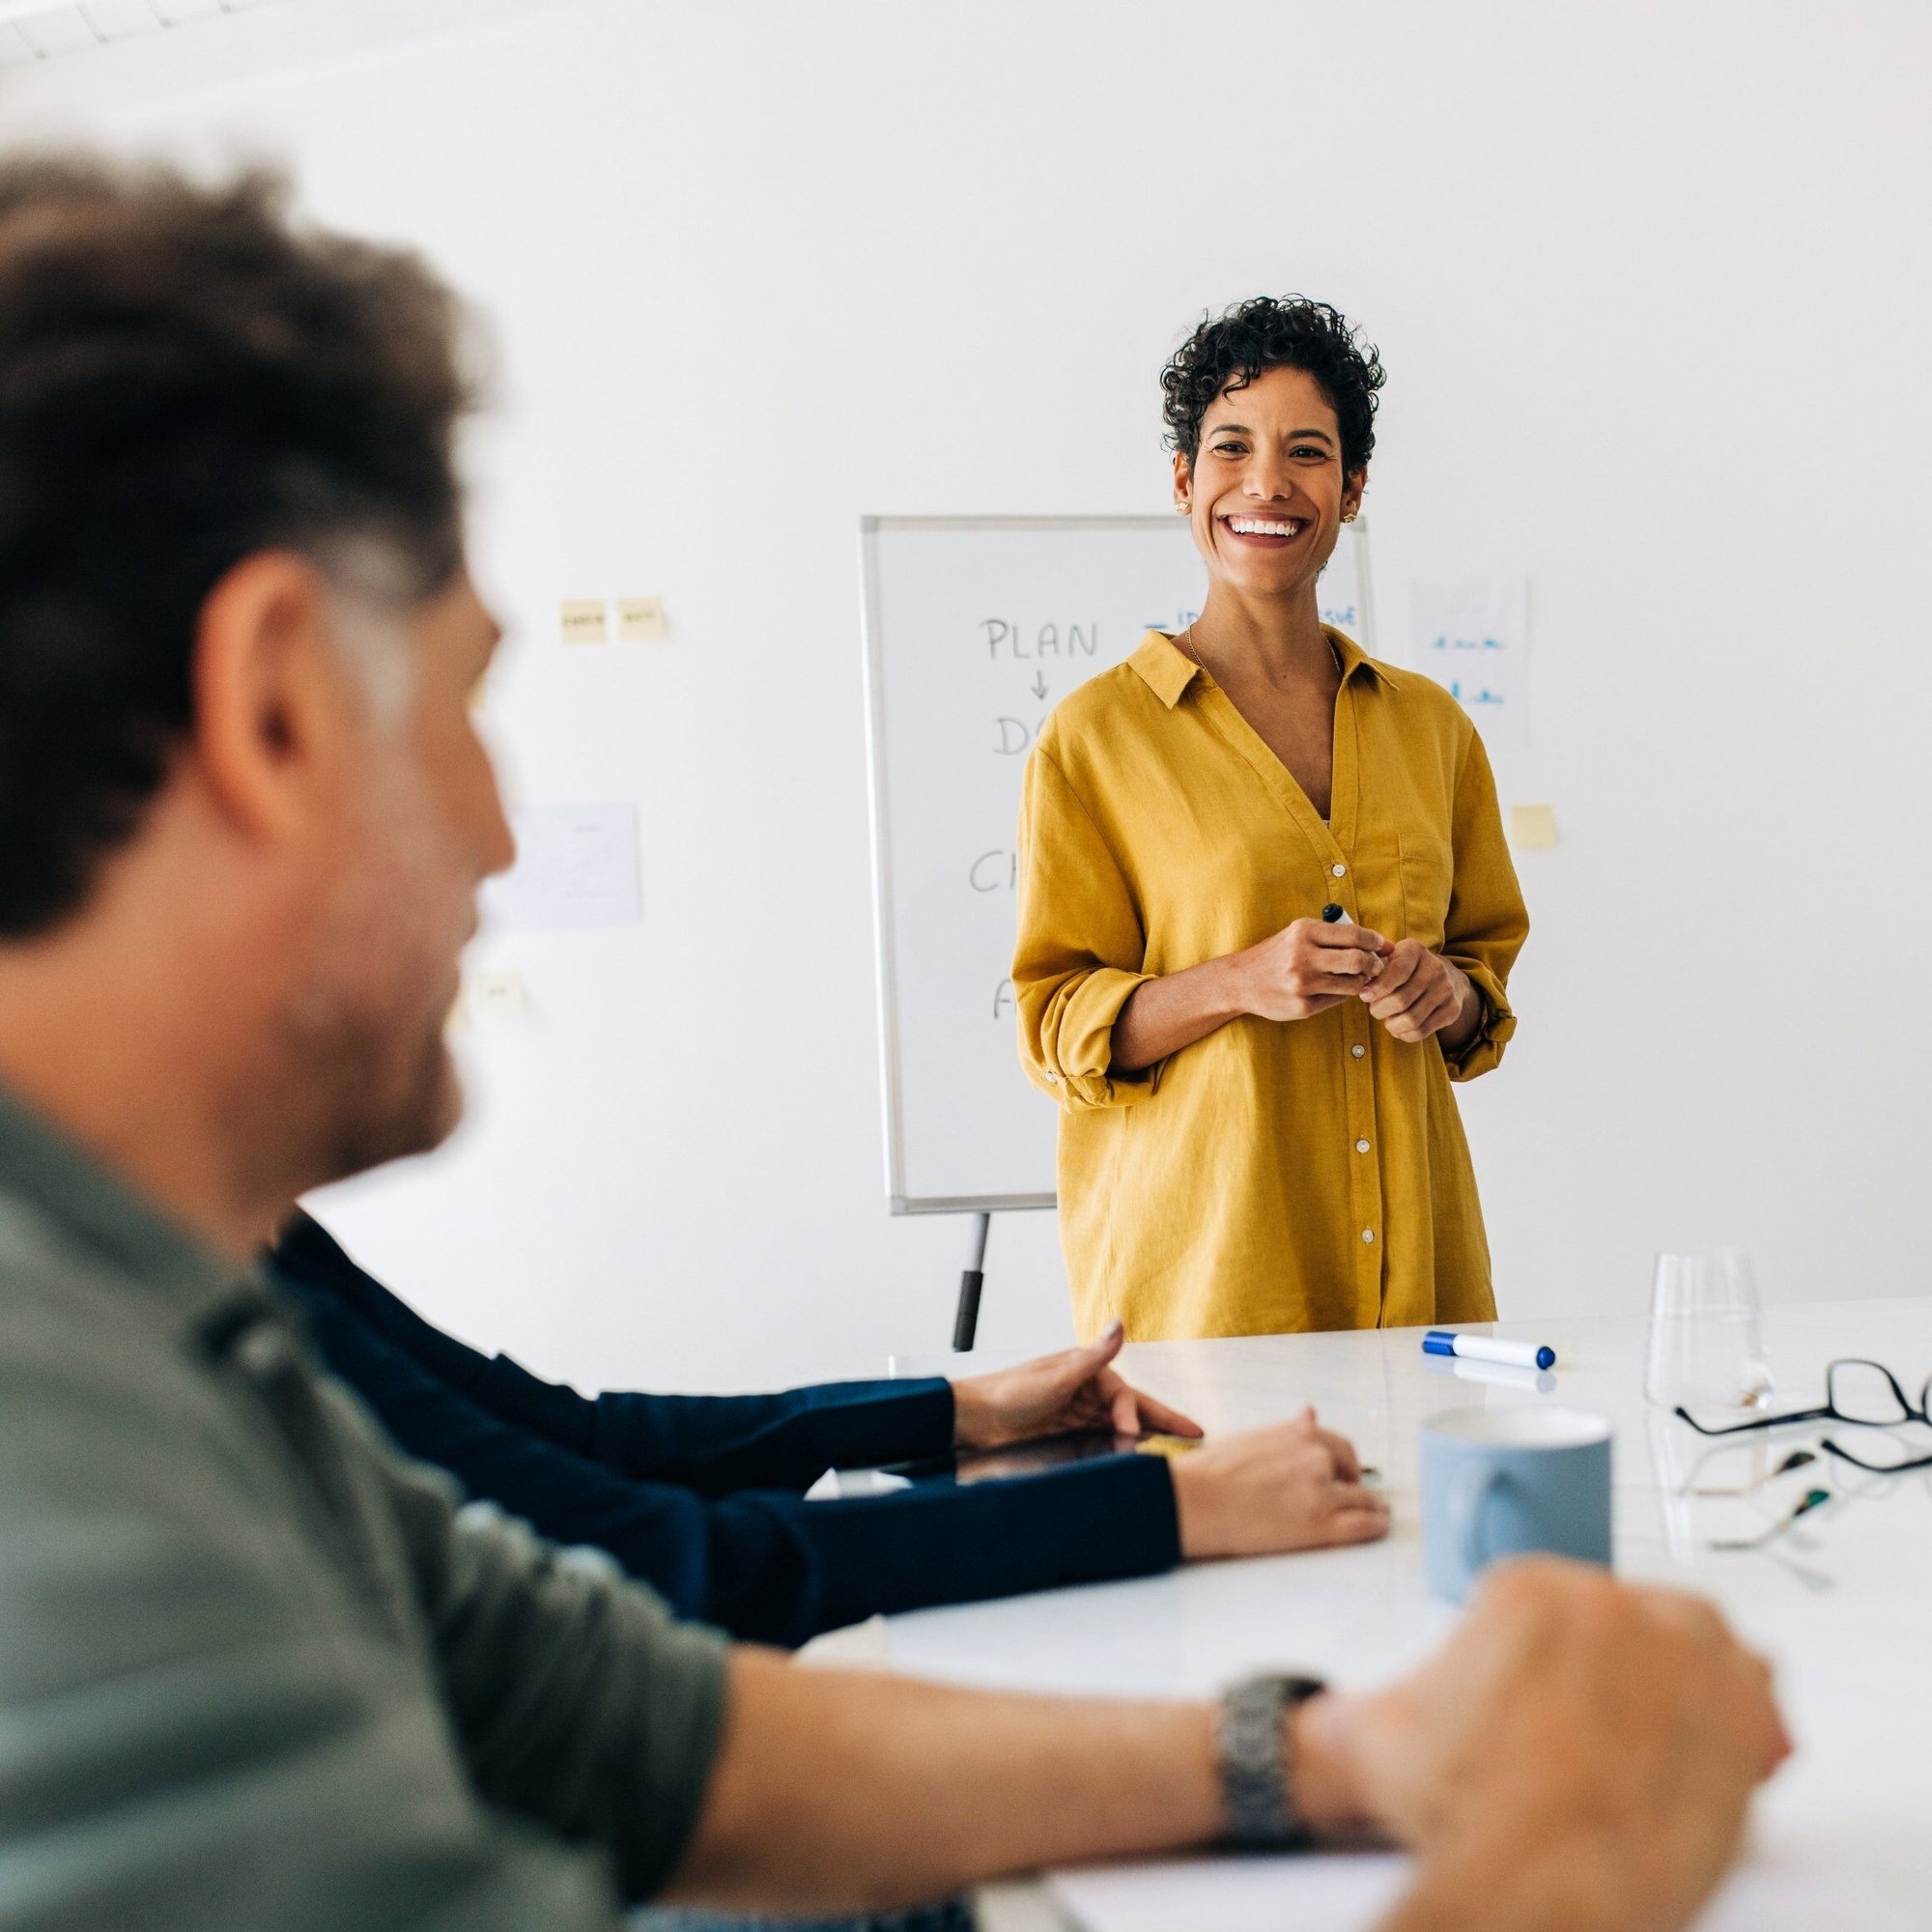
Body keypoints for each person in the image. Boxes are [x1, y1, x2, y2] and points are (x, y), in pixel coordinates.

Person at [0, 156, 1784, 1932]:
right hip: (1213, 1289)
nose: (506, 836)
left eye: (1308, 452)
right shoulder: (67, 1458)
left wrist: (1315, 1761)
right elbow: (675, 1569)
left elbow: (615, 1668)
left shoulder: (203, 1291)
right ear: (273, 705)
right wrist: (1571, 1872)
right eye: (468, 702)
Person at [1012, 298, 1530, 1342]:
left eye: (1306, 451)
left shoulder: (1431, 728)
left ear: (1350, 488)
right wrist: (1238, 981)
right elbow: (1052, 1024)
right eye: (1230, 446)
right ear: (1181, 479)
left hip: (1418, 1291)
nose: (1266, 483)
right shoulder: (1095, 737)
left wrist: (1448, 997)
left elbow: (1481, 1000)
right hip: (1206, 1290)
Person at [270, 1210, 1390, 1645]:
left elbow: (583, 1445)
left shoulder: (262, 1248)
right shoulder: (227, 1308)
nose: (495, 843)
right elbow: (676, 1569)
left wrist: (956, 1409)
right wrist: (1168, 1501)